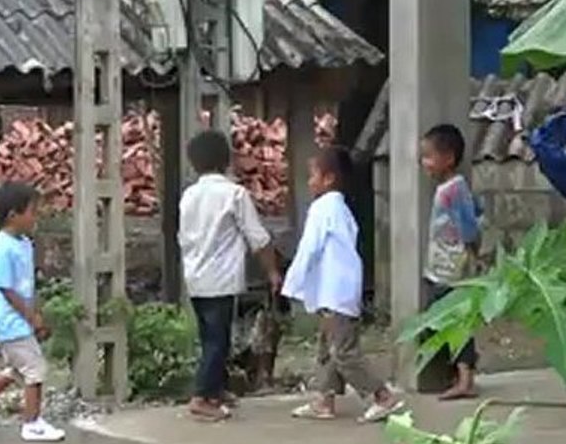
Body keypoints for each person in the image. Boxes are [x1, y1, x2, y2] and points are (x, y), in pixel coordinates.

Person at [283, 145, 404, 423]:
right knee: (327, 347)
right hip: (339, 290)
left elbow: (309, 248)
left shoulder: (322, 208)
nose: (309, 181)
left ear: (328, 179)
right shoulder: (341, 209)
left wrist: (292, 281)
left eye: (313, 175)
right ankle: (324, 400)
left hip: (335, 291)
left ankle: (382, 396)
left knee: (343, 352)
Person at [179, 129, 282, 421]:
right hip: (221, 280)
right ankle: (201, 397)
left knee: (209, 337)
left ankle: (216, 388)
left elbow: (183, 236)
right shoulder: (234, 194)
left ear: (194, 162)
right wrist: (272, 271)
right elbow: (258, 238)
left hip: (195, 277)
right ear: (226, 160)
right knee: (218, 341)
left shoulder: (189, 196)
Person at [0, 181, 65, 442]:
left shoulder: (23, 243)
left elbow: (26, 284)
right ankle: (32, 423)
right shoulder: (2, 248)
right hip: (11, 322)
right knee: (35, 369)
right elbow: (7, 289)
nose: (35, 217)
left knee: (18, 369)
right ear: (13, 215)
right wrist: (31, 317)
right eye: (32, 212)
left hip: (20, 320)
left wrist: (35, 312)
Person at [420, 124, 482, 401]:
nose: (424, 163)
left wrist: (473, 253)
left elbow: (469, 226)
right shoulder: (449, 188)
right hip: (441, 267)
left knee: (454, 322)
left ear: (448, 158)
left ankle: (465, 378)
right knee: (447, 321)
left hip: (451, 269)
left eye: (428, 156)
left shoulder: (453, 190)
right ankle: (460, 374)